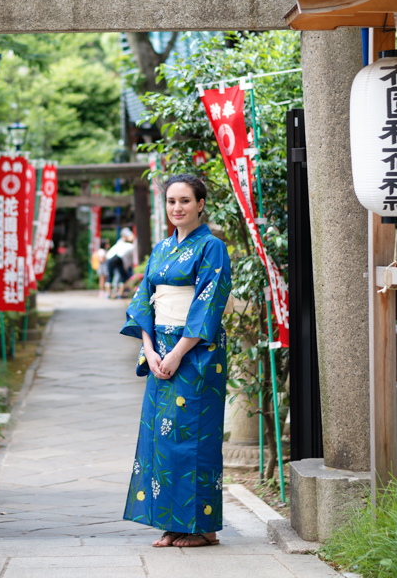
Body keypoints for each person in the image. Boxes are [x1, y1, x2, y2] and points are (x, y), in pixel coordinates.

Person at [120, 174, 231, 548]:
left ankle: (203, 526)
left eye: (185, 200)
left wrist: (178, 352)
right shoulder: (162, 248)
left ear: (201, 204)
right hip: (160, 351)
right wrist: (150, 351)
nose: (177, 208)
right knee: (161, 437)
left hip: (197, 352)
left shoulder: (212, 247)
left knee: (192, 436)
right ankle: (173, 522)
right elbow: (143, 301)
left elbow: (208, 305)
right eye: (171, 201)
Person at [106, 228, 135, 299]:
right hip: (118, 258)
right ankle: (120, 294)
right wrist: (127, 267)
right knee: (123, 276)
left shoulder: (119, 242)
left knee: (110, 276)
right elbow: (128, 260)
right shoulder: (131, 246)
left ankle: (108, 294)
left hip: (109, 257)